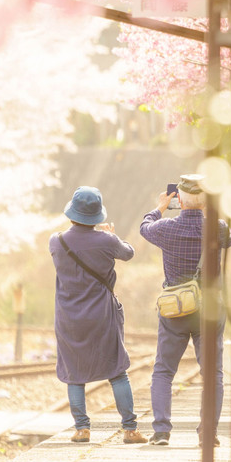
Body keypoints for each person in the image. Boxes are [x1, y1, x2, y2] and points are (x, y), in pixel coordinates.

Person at [140, 173, 231, 447]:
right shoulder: (218, 228)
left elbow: (144, 227)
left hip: (175, 309)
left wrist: (159, 207)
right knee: (213, 373)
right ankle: (208, 434)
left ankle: (161, 432)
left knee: (164, 371)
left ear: (178, 199)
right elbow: (230, 240)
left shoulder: (164, 228)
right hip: (210, 310)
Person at [50, 186, 147, 445]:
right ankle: (130, 430)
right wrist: (110, 235)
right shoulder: (107, 241)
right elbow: (128, 252)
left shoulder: (56, 241)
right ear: (96, 215)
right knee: (117, 370)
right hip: (102, 315)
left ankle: (82, 429)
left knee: (75, 373)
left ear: (72, 212)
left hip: (69, 317)